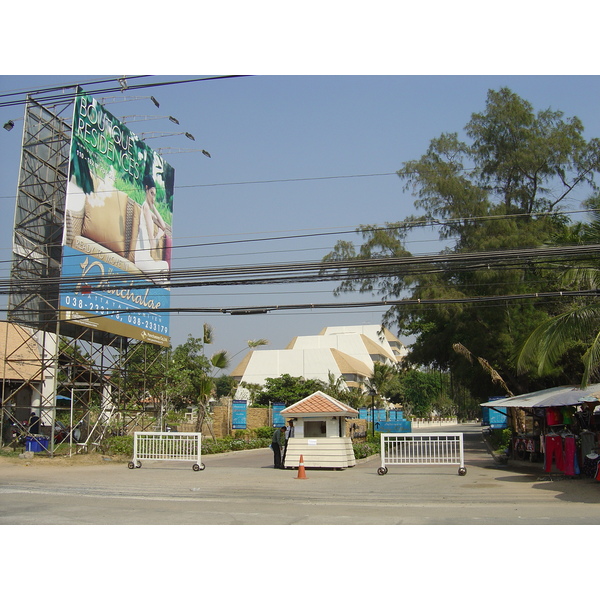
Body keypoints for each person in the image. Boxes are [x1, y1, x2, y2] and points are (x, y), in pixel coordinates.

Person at [135, 174, 170, 276]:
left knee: (164, 267)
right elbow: (152, 245)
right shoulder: (145, 207)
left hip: (146, 258)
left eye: (154, 195)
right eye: (151, 193)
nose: (153, 197)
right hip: (142, 259)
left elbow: (163, 226)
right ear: (146, 189)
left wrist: (153, 207)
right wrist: (158, 235)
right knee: (164, 267)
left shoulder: (148, 210)